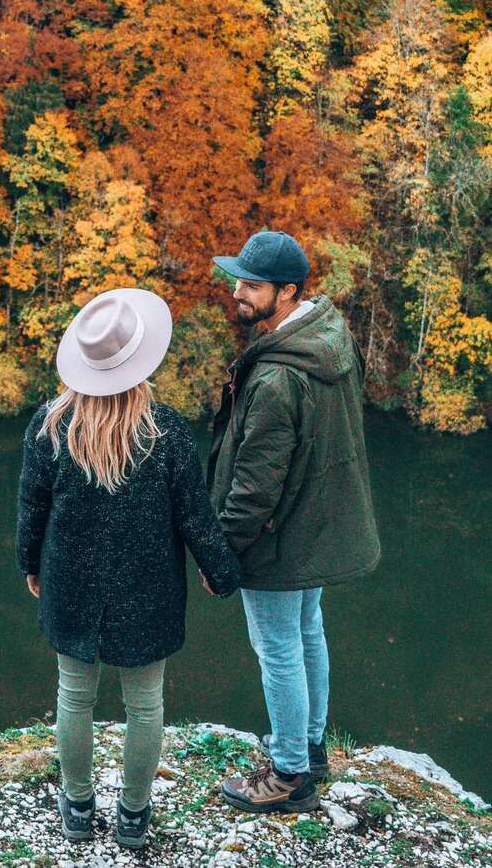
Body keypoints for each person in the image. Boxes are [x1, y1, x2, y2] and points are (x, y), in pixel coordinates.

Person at [16, 287, 242, 850]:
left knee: (74, 697)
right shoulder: (164, 431)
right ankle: (133, 819)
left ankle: (76, 808)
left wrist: (30, 564)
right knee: (145, 705)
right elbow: (195, 514)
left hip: (70, 582)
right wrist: (220, 570)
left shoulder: (50, 426)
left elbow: (31, 507)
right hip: (149, 589)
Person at [206, 230, 381, 815]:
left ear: (287, 291)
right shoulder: (326, 336)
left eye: (252, 285)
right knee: (308, 631)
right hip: (313, 527)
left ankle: (289, 775)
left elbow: (255, 487)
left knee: (278, 647)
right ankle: (309, 745)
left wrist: (222, 553)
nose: (239, 292)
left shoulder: (280, 375)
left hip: (278, 537)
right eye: (239, 280)